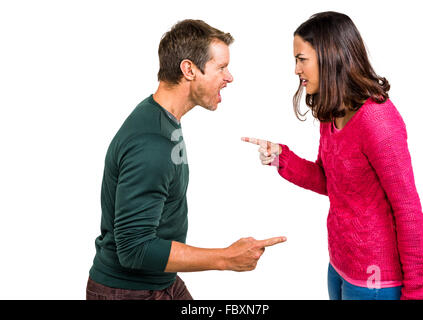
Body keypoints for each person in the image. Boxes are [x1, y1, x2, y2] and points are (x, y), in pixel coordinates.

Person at [86, 19, 286, 300]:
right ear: (189, 69)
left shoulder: (161, 118)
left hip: (158, 281)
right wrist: (226, 258)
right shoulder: (150, 143)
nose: (229, 77)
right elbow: (134, 248)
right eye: (221, 67)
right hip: (128, 291)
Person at [242, 11, 423, 300]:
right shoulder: (331, 113)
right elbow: (330, 181)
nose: (296, 70)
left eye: (301, 59)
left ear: (330, 57)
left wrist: (417, 293)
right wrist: (283, 157)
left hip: (376, 283)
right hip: (340, 267)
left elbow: (408, 211)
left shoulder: (378, 122)